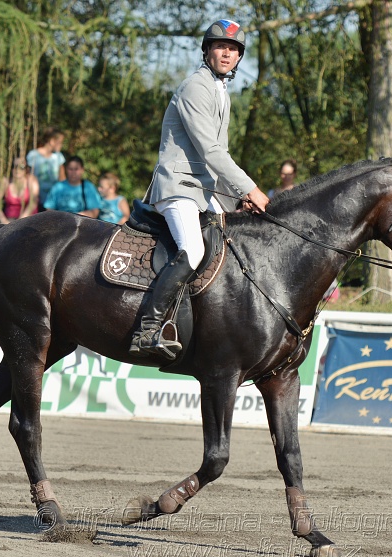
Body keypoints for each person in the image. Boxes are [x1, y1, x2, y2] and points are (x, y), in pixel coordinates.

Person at [129, 19, 270, 359]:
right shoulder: (196, 86)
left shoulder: (220, 91)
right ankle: (147, 329)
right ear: (207, 50)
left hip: (201, 190)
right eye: (221, 46)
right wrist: (250, 189)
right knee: (192, 251)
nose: (227, 53)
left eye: (234, 49)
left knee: (232, 250)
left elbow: (216, 159)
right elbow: (211, 152)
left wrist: (236, 198)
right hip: (177, 186)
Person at [0, 156, 40, 224]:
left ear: (26, 169)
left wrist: (20, 221)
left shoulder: (31, 180)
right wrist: (4, 221)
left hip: (29, 220)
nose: (17, 169)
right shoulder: (5, 181)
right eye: (14, 166)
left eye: (21, 167)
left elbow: (33, 202)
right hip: (9, 221)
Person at [27, 127, 66, 209]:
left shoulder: (59, 157)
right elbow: (28, 177)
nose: (61, 145)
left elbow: (62, 179)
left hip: (53, 202)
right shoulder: (33, 155)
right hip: (35, 200)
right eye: (60, 142)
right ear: (52, 141)